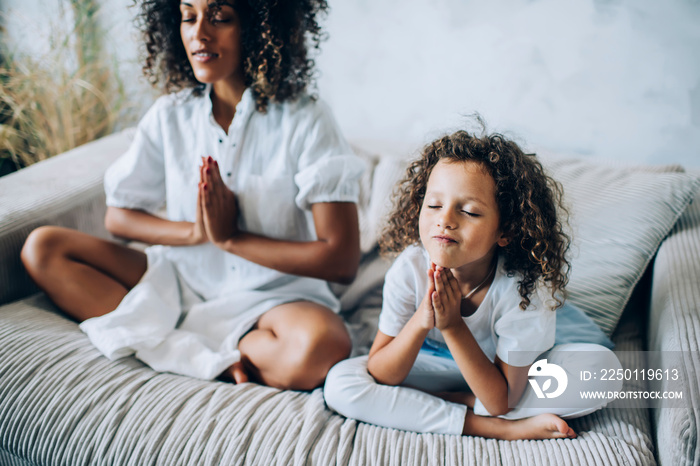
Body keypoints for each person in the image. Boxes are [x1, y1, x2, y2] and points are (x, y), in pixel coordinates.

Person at [20, 0, 365, 391]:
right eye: (188, 16)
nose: (200, 33)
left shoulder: (307, 119)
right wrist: (196, 233)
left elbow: (342, 259)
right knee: (42, 248)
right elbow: (119, 217)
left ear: (259, 27)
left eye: (219, 17)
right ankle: (191, 351)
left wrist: (232, 239)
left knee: (322, 346)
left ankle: (176, 339)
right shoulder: (169, 116)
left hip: (275, 300)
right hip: (177, 281)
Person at [324, 129, 622, 439]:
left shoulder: (526, 290)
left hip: (507, 378)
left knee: (602, 373)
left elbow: (501, 399)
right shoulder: (410, 268)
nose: (445, 220)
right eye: (434, 205)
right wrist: (422, 321)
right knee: (341, 381)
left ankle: (440, 405)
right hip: (439, 369)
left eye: (469, 211)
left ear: (505, 230)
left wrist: (453, 326)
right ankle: (492, 428)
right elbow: (383, 374)